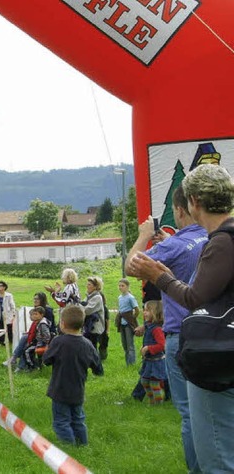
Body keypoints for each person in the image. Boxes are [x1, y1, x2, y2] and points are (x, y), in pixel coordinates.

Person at [129, 164, 234, 473]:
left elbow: (194, 298)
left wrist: (160, 277)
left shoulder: (223, 242)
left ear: (194, 203)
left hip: (218, 355)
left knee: (216, 453)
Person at [126, 185, 207, 473]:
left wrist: (145, 236)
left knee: (189, 414)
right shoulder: (214, 236)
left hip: (180, 334)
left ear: (181, 209)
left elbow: (131, 265)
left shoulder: (171, 246)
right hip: (214, 331)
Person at [43, 305, 103, 446]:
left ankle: (69, 450)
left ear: (62, 324)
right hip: (78, 390)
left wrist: (48, 350)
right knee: (78, 420)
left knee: (61, 422)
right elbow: (98, 368)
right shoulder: (88, 344)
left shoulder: (58, 341)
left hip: (60, 390)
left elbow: (46, 360)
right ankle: (82, 446)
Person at [138, 300, 166, 405]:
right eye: (144, 310)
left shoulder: (157, 329)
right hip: (148, 361)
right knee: (144, 381)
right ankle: (152, 400)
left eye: (148, 311)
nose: (144, 313)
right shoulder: (148, 326)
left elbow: (162, 345)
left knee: (155, 383)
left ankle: (158, 403)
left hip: (156, 362)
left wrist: (148, 348)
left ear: (155, 313)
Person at [116, 278, 140, 366]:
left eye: (122, 286)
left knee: (130, 344)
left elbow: (137, 309)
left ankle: (132, 363)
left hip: (128, 323)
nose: (120, 287)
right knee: (124, 343)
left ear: (127, 286)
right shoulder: (120, 297)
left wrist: (132, 318)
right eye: (119, 286)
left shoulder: (130, 297)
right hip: (122, 322)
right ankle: (127, 362)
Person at [22, 306, 51, 371]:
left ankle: (32, 366)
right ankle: (38, 365)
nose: (34, 316)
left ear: (41, 315)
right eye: (33, 314)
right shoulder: (38, 322)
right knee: (28, 350)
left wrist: (43, 344)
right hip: (37, 342)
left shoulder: (42, 324)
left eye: (36, 314)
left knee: (26, 351)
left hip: (41, 343)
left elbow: (47, 336)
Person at [81, 276, 105, 351]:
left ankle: (95, 362)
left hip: (95, 327)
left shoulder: (97, 297)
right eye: (87, 284)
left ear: (95, 287)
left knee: (92, 348)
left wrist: (78, 307)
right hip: (89, 327)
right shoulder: (89, 296)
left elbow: (87, 310)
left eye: (89, 285)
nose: (87, 286)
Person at [0, 281, 16, 346]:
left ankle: (11, 342)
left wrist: (13, 314)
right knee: (0, 329)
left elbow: (12, 305)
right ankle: (1, 343)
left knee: (9, 329)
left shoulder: (9, 295)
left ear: (4, 287)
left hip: (8, 315)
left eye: (0, 286)